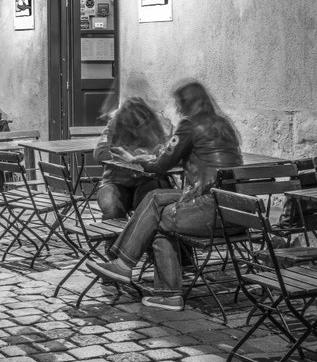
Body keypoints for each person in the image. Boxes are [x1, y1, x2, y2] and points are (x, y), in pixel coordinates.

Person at [85, 80, 243, 312]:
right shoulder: (224, 124)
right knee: (156, 199)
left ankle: (145, 278)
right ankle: (131, 269)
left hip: (209, 208)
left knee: (158, 214)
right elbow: (177, 154)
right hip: (238, 211)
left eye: (179, 103)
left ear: (187, 103)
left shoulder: (189, 125)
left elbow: (163, 163)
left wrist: (138, 160)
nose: (177, 108)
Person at [93, 97, 169, 220]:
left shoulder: (155, 127)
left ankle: (141, 232)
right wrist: (125, 157)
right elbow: (99, 153)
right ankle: (114, 232)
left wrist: (145, 156)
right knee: (112, 209)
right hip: (116, 181)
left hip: (148, 180)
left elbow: (165, 154)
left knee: (148, 208)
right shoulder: (114, 125)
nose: (134, 131)